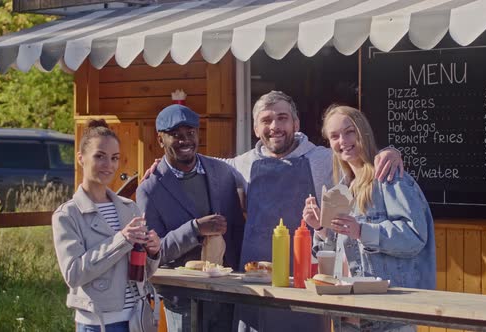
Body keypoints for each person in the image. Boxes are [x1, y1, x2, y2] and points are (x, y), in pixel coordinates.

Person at [143, 91, 404, 332]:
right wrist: (163, 163)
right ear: (256, 128)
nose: (275, 127)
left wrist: (389, 152)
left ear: (296, 124)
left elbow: (356, 155)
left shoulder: (322, 159)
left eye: (282, 118)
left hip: (304, 286)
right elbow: (197, 162)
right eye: (266, 120)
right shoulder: (241, 165)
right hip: (253, 287)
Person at [303, 105, 436, 332]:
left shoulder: (389, 177)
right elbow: (333, 257)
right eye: (334, 136)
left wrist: (362, 231)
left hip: (388, 317)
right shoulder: (340, 191)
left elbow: (415, 237)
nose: (342, 141)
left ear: (363, 131)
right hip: (349, 316)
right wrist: (321, 229)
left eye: (349, 131)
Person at [136, 104, 245, 332]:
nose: (185, 140)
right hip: (183, 301)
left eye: (191, 133)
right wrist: (194, 229)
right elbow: (153, 255)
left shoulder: (222, 173)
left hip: (226, 295)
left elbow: (237, 231)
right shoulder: (149, 190)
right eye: (175, 135)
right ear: (160, 140)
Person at [52, 119, 161, 332]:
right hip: (99, 323)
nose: (108, 165)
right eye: (100, 156)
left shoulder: (130, 208)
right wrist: (122, 239)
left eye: (114, 158)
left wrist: (153, 252)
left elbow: (143, 271)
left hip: (138, 318)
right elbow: (73, 274)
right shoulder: (67, 215)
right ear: (81, 158)